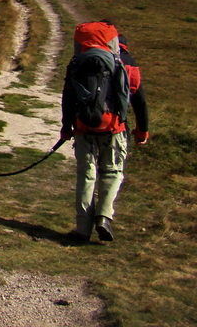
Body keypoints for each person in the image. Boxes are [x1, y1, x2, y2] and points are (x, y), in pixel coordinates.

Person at [60, 22, 149, 243]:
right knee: (112, 172)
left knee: (86, 175)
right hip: (114, 128)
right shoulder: (126, 65)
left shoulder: (76, 63)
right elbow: (139, 100)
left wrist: (66, 127)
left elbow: (68, 98)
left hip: (83, 128)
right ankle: (103, 216)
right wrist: (142, 130)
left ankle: (82, 229)